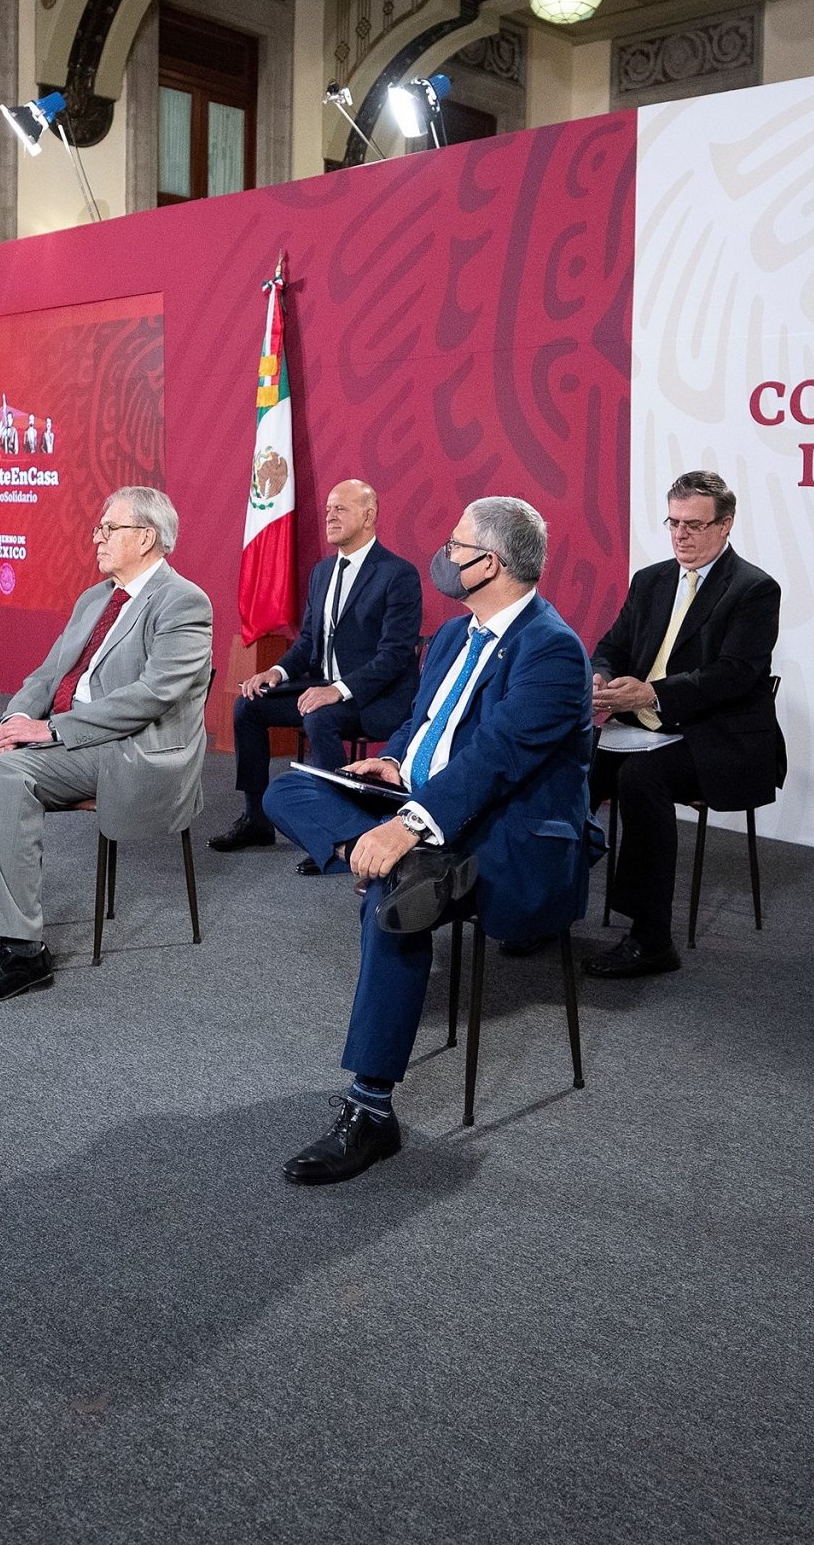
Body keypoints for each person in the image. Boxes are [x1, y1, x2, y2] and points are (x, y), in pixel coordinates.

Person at [264, 497, 594, 1185]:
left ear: (490, 563)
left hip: (512, 837)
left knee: (396, 887)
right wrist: (394, 764)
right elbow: (424, 727)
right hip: (435, 810)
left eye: (455, 546)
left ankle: (370, 1108)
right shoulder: (452, 636)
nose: (442, 557)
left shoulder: (554, 649)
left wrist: (404, 825)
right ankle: (397, 855)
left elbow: (495, 758)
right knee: (287, 789)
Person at [0, 487, 213, 1004]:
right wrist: (16, 717)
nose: (97, 537)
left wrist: (51, 731)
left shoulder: (183, 602)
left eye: (109, 528)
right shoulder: (96, 597)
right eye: (99, 528)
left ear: (146, 537)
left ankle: (21, 952)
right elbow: (49, 673)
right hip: (64, 734)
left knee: (7, 775)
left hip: (130, 749)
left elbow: (153, 696)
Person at [584, 471, 785, 977]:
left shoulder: (755, 589)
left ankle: (651, 939)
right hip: (642, 724)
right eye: (673, 523)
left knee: (640, 779)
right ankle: (541, 906)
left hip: (716, 734)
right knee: (567, 765)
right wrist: (601, 675)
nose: (681, 536)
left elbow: (736, 675)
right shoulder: (650, 580)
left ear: (726, 525)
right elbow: (613, 644)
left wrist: (654, 692)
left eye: (694, 525)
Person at [211, 479, 422, 862]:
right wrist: (276, 672)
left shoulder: (397, 574)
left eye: (341, 509)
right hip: (323, 689)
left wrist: (338, 690)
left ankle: (342, 829)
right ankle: (255, 818)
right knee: (249, 705)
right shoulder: (323, 572)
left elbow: (393, 656)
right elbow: (308, 641)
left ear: (369, 515)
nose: (330, 516)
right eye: (328, 509)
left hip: (375, 696)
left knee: (320, 717)